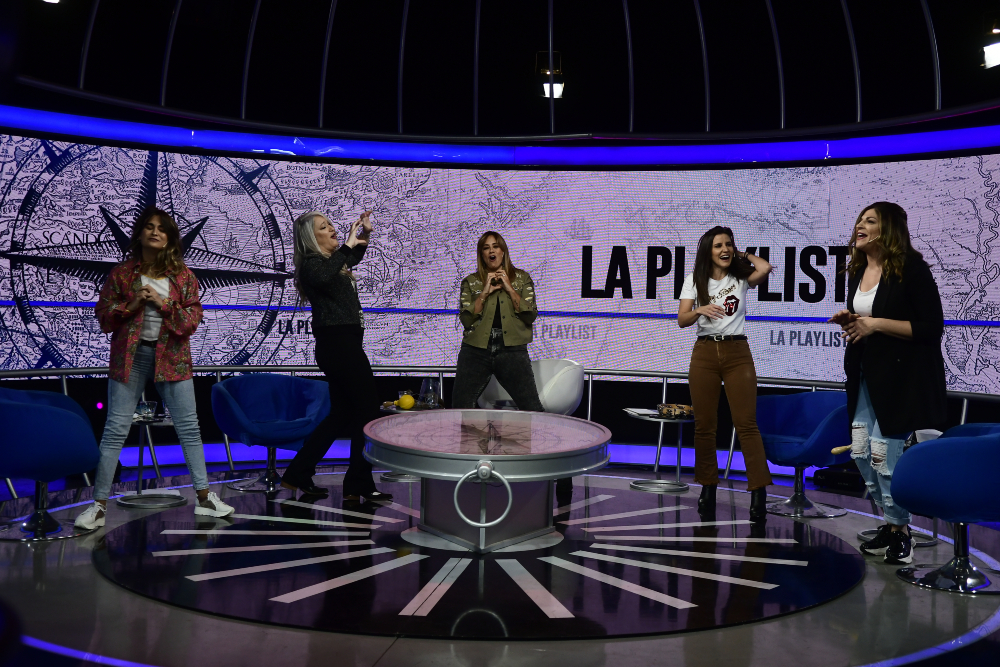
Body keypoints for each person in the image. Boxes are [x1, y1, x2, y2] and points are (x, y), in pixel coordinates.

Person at [75, 207, 234, 529]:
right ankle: (99, 506)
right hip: (129, 358)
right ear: (139, 234)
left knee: (189, 428)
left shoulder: (184, 277)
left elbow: (190, 322)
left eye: (161, 228)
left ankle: (204, 499)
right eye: (148, 227)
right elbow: (105, 318)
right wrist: (133, 303)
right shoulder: (122, 274)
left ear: (171, 238)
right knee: (115, 430)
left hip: (172, 358)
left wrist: (163, 304)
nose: (154, 232)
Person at [829, 201, 946, 564]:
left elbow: (930, 328)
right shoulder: (857, 271)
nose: (859, 226)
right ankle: (891, 524)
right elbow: (866, 323)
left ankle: (900, 532)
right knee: (862, 452)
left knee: (886, 454)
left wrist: (874, 323)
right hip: (866, 372)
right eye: (859, 219)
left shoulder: (911, 270)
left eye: (869, 221)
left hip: (902, 379)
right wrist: (852, 321)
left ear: (889, 229)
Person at [281, 210, 391, 502]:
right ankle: (358, 483)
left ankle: (297, 473)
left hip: (345, 342)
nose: (332, 228)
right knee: (368, 410)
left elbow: (352, 258)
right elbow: (332, 270)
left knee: (341, 413)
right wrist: (348, 244)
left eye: (330, 224)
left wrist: (363, 234)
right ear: (310, 238)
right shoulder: (312, 265)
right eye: (323, 227)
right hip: (338, 344)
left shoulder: (333, 263)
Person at [678, 226, 773, 522]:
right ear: (708, 250)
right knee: (705, 425)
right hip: (704, 353)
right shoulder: (694, 279)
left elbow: (765, 267)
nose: (724, 249)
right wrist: (700, 310)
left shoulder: (740, 277)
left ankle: (758, 490)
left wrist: (741, 254)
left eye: (728, 245)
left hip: (737, 353)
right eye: (718, 245)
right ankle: (708, 486)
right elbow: (682, 319)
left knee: (745, 423)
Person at [452, 231, 544, 413]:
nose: (491, 251)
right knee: (459, 408)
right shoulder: (470, 282)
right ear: (482, 254)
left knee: (532, 409)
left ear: (503, 251)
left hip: (512, 350)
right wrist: (484, 292)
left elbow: (530, 316)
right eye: (486, 248)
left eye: (495, 246)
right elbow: (466, 320)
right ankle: (471, 442)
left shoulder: (522, 278)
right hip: (475, 350)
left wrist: (509, 288)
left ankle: (531, 442)